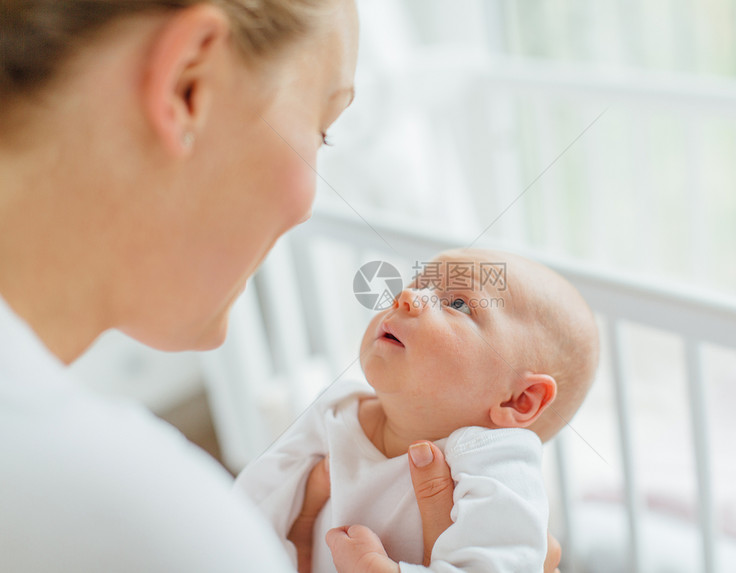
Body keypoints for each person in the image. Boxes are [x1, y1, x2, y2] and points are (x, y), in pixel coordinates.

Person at [1, 2, 558, 572]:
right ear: (188, 85)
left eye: (325, 137)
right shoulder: (155, 529)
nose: (407, 297)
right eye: (320, 130)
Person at [235, 248, 600, 572]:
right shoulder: (336, 410)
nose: (407, 296)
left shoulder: (496, 467)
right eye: (419, 284)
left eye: (457, 304)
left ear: (518, 400)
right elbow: (250, 504)